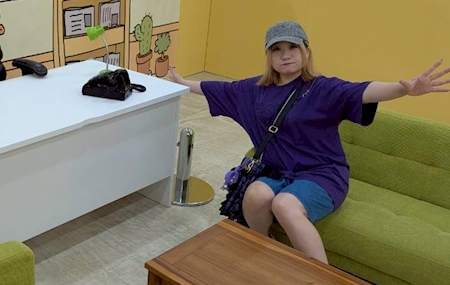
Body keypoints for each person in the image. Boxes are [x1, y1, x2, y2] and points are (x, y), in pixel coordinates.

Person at [168, 21, 448, 264]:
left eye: (293, 47)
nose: (285, 55)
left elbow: (363, 90)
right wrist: (182, 83)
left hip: (322, 174)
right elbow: (220, 89)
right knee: (255, 195)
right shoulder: (256, 89)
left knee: (285, 205)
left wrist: (403, 89)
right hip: (276, 171)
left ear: (306, 51)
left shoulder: (324, 88)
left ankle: (319, 280)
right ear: (268, 56)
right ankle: (264, 251)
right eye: (277, 49)